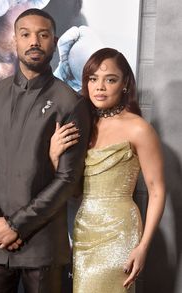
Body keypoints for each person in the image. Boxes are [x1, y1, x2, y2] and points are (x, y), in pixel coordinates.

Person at [0, 8, 91, 293]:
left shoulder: (70, 103)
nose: (34, 41)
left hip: (42, 246)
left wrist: (16, 226)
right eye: (26, 34)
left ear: (54, 42)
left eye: (43, 35)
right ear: (15, 40)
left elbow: (68, 179)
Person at [49, 48, 165, 292]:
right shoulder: (84, 126)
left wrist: (143, 246)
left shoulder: (139, 129)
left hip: (120, 231)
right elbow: (75, 191)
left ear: (124, 84)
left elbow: (157, 191)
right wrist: (54, 155)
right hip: (84, 228)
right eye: (93, 79)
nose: (99, 86)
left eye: (110, 79)